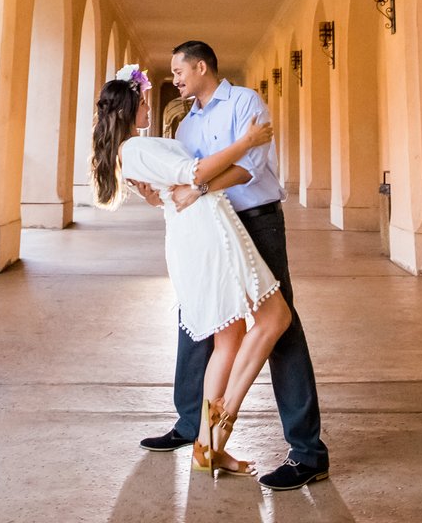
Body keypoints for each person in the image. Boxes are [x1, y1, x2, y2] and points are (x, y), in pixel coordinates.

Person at [136, 41, 331, 491]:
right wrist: (161, 193)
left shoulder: (245, 102)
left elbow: (249, 166)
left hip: (257, 221)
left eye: (179, 71)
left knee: (280, 326)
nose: (175, 79)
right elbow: (185, 177)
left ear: (201, 67)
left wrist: (199, 188)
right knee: (197, 318)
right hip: (209, 227)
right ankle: (193, 427)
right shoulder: (187, 125)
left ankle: (307, 452)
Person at [89, 71, 289, 477]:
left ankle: (209, 445)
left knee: (230, 336)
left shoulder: (134, 149)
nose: (148, 105)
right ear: (128, 108)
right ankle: (217, 428)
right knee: (270, 320)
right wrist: (247, 142)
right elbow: (195, 173)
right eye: (143, 101)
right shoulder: (136, 146)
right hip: (205, 233)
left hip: (202, 227)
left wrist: (167, 191)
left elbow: (166, 192)